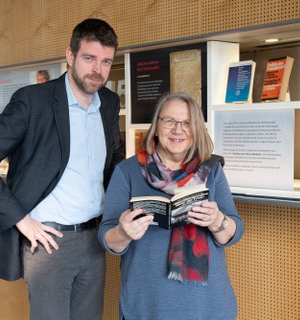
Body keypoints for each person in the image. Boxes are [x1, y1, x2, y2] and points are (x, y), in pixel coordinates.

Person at [0, 18, 123, 320]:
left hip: (95, 240)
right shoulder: (34, 102)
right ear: (70, 56)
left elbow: (113, 164)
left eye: (106, 61)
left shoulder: (109, 103)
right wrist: (20, 219)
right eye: (89, 58)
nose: (97, 69)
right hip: (50, 244)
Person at [98, 92, 244, 320]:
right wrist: (123, 232)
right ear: (156, 126)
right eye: (170, 121)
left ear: (196, 129)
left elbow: (233, 232)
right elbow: (107, 239)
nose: (178, 130)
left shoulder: (211, 169)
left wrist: (218, 221)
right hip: (148, 304)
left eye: (187, 123)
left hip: (207, 305)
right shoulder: (127, 172)